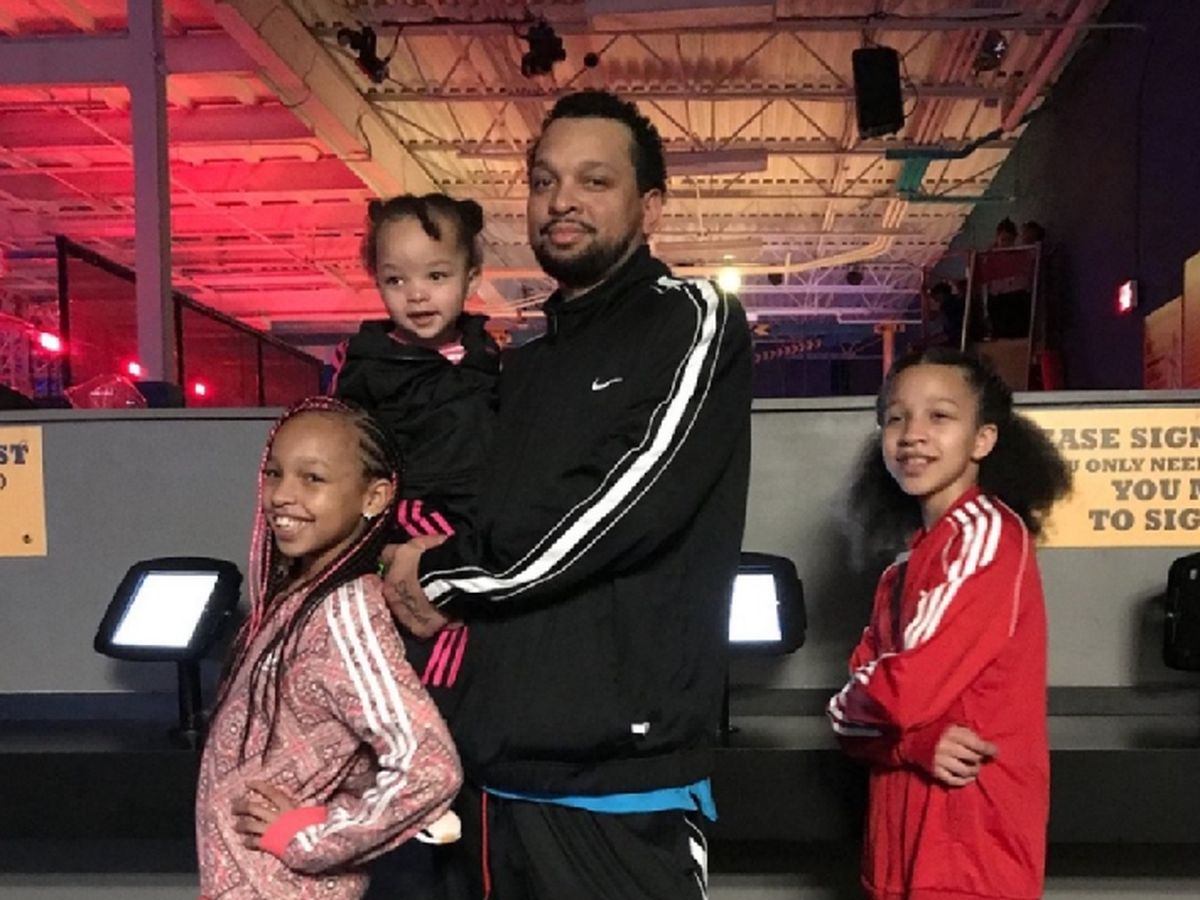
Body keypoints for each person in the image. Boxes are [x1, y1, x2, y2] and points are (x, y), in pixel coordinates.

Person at [381, 89, 753, 900]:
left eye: (595, 180)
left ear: (650, 206)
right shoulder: (524, 366)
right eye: (545, 181)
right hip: (492, 780)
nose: (562, 201)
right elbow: (476, 515)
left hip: (621, 791)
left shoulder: (692, 319)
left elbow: (615, 509)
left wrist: (441, 573)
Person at [828, 347, 1072, 900]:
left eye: (939, 416)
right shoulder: (903, 568)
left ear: (982, 440)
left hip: (969, 854)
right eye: (896, 418)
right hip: (899, 852)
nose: (912, 434)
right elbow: (845, 717)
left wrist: (873, 712)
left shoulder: (986, 535)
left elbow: (896, 694)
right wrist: (909, 743)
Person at [195, 397, 462, 900]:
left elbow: (429, 768)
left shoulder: (345, 616)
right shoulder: (295, 596)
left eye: (312, 478)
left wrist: (311, 838)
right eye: (274, 474)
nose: (282, 495)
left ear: (374, 497)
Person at [330, 194, 499, 899]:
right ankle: (416, 805)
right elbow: (346, 475)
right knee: (410, 688)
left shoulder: (492, 362)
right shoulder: (368, 369)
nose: (416, 295)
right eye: (395, 279)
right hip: (402, 539)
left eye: (435, 275)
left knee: (466, 687)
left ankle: (447, 804)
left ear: (470, 276)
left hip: (478, 550)